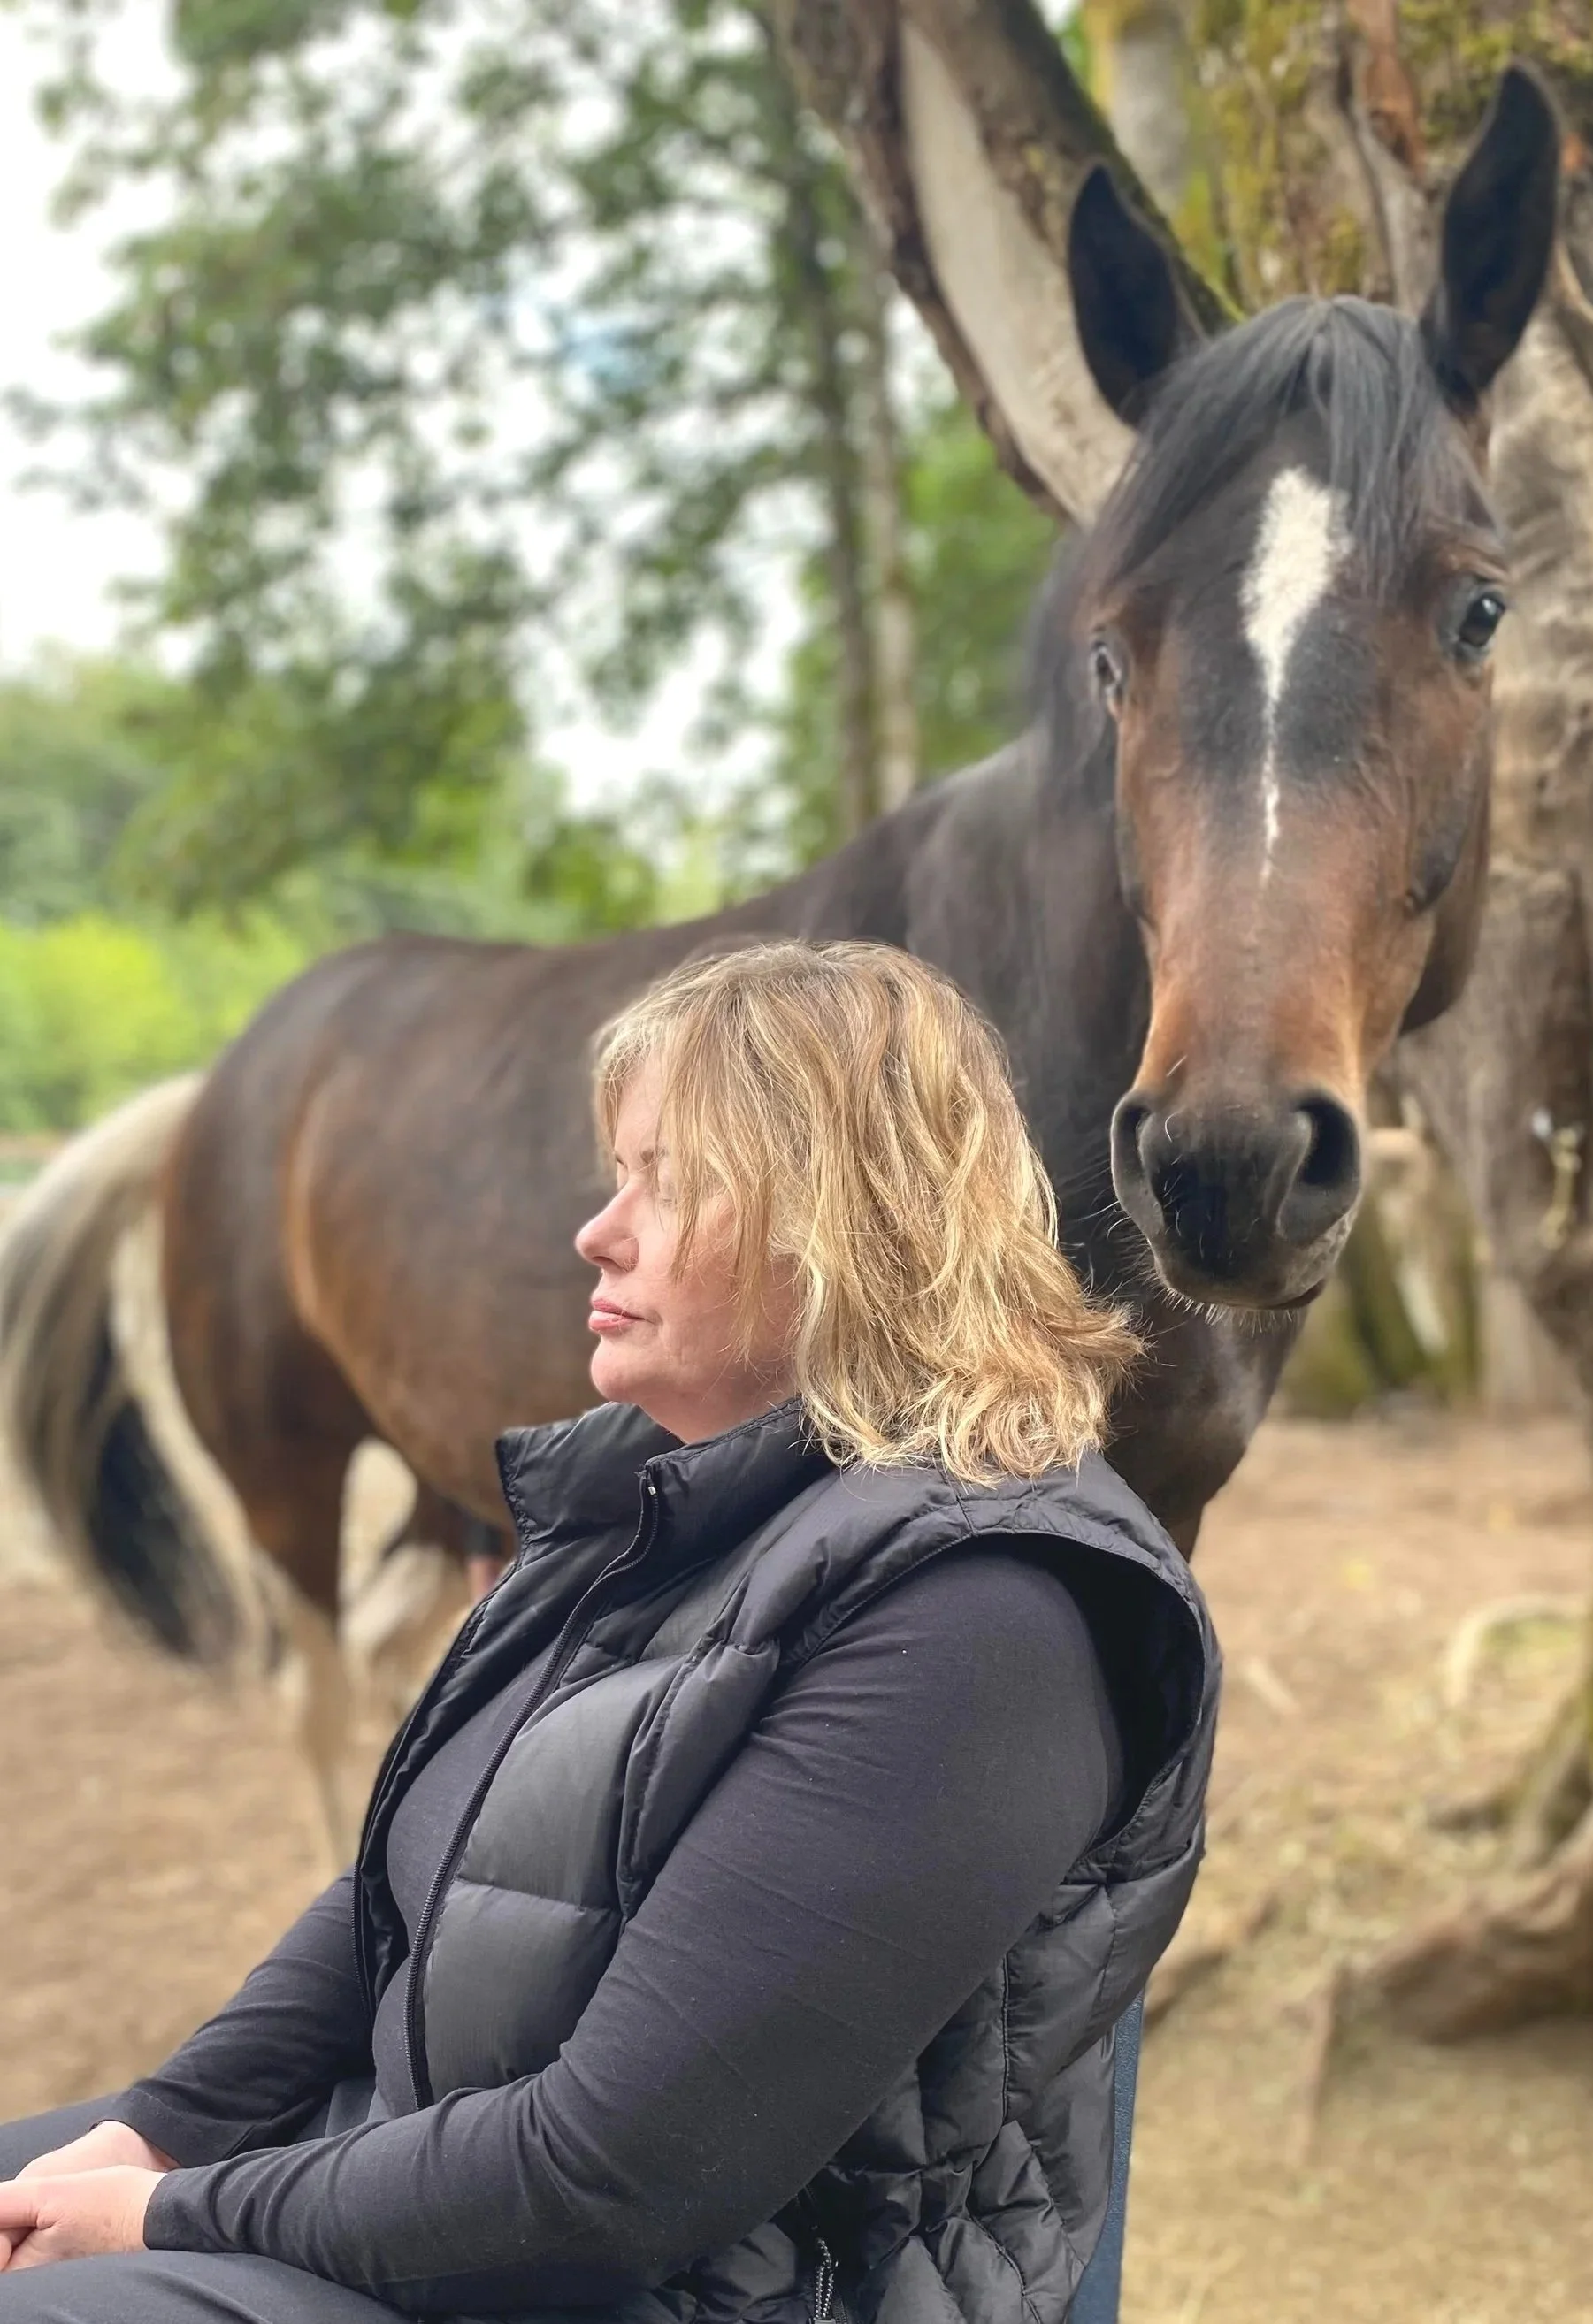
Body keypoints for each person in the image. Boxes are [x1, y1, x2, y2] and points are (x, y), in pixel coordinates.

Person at [0, 939, 1217, 2324]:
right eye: (618, 1172)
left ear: (846, 1217)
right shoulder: (647, 1502)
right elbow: (400, 1894)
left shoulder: (982, 1618)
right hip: (428, 2178)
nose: (598, 1229)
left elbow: (610, 2181)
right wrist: (157, 2131)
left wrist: (159, 2215)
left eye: (668, 1180)